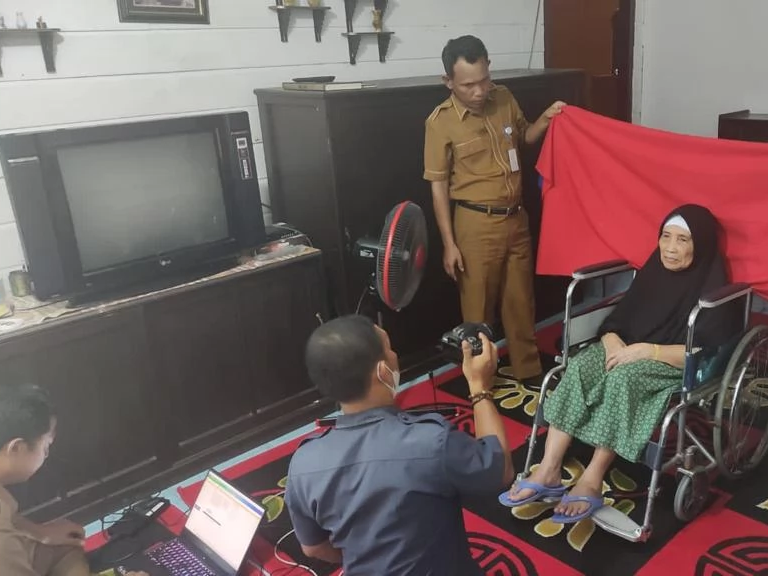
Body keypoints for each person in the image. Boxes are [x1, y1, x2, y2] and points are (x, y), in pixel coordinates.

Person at [499, 204, 740, 522]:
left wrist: (647, 351)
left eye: (683, 240)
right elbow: (621, 319)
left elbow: (701, 351)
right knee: (580, 366)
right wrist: (611, 338)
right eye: (666, 236)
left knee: (622, 378)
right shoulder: (654, 272)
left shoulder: (713, 292)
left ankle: (592, 479)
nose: (670, 248)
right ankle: (548, 469)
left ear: (701, 245)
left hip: (670, 362)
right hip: (628, 347)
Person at [284, 314, 514, 576]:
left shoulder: (303, 463)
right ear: (383, 371)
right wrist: (479, 387)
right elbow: (501, 470)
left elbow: (313, 547)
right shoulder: (431, 440)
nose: (395, 355)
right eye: (390, 349)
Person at [423, 34, 566, 388]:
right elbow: (438, 186)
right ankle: (479, 379)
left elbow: (526, 137)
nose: (479, 91)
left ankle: (528, 370)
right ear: (448, 81)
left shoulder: (503, 98)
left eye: (484, 80)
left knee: (521, 301)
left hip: (516, 218)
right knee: (478, 308)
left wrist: (547, 118)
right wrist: (449, 243)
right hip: (475, 224)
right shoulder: (440, 122)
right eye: (468, 85)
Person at [0, 383, 148, 576]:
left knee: (66, 548)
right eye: (46, 446)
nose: (47, 454)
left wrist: (37, 531)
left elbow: (6, 516)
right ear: (16, 448)